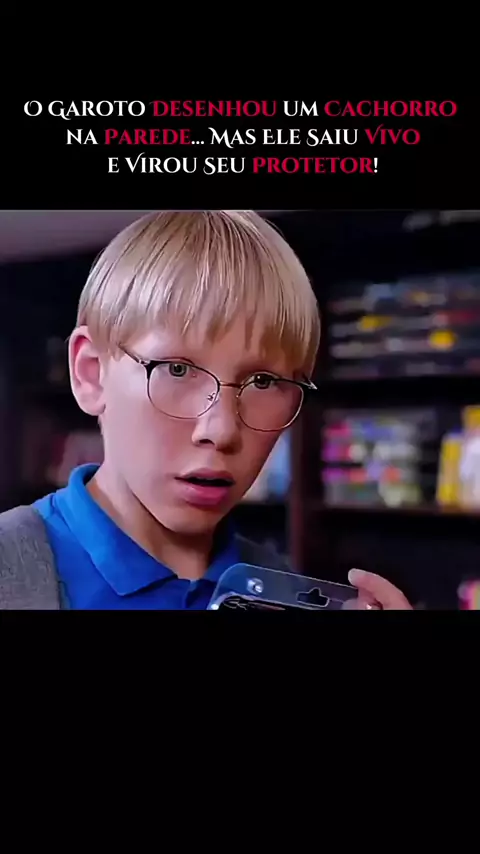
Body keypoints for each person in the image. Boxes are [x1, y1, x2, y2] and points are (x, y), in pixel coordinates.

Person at [0, 211, 412, 610]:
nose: (221, 429)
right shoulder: (12, 570)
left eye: (263, 381)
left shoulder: (279, 590)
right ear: (91, 373)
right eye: (177, 370)